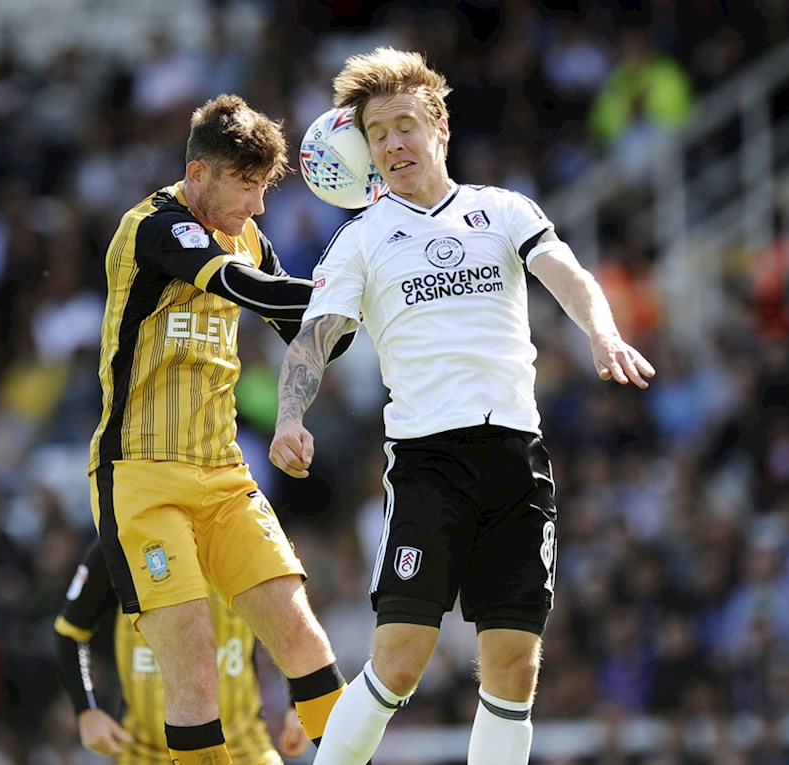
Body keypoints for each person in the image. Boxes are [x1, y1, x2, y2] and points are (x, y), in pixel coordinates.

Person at [269, 47, 655, 765]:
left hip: (516, 460)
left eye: (404, 126)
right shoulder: (361, 240)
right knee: (401, 661)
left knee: (514, 667)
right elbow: (313, 339)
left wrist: (602, 331)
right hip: (428, 465)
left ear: (438, 125)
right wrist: (292, 414)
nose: (392, 144)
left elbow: (564, 270)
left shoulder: (502, 210)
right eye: (376, 133)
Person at [89, 93, 354, 764]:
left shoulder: (245, 230)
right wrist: (354, 293)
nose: (258, 207)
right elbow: (247, 288)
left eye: (264, 189)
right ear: (200, 174)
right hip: (144, 479)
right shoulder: (153, 227)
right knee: (197, 668)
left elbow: (309, 332)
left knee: (303, 640)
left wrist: (365, 310)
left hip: (224, 476)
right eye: (246, 186)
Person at [53, 538, 309, 764]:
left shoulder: (247, 533)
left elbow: (289, 625)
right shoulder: (119, 539)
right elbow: (70, 631)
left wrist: (299, 705)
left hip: (243, 751)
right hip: (145, 755)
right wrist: (87, 712)